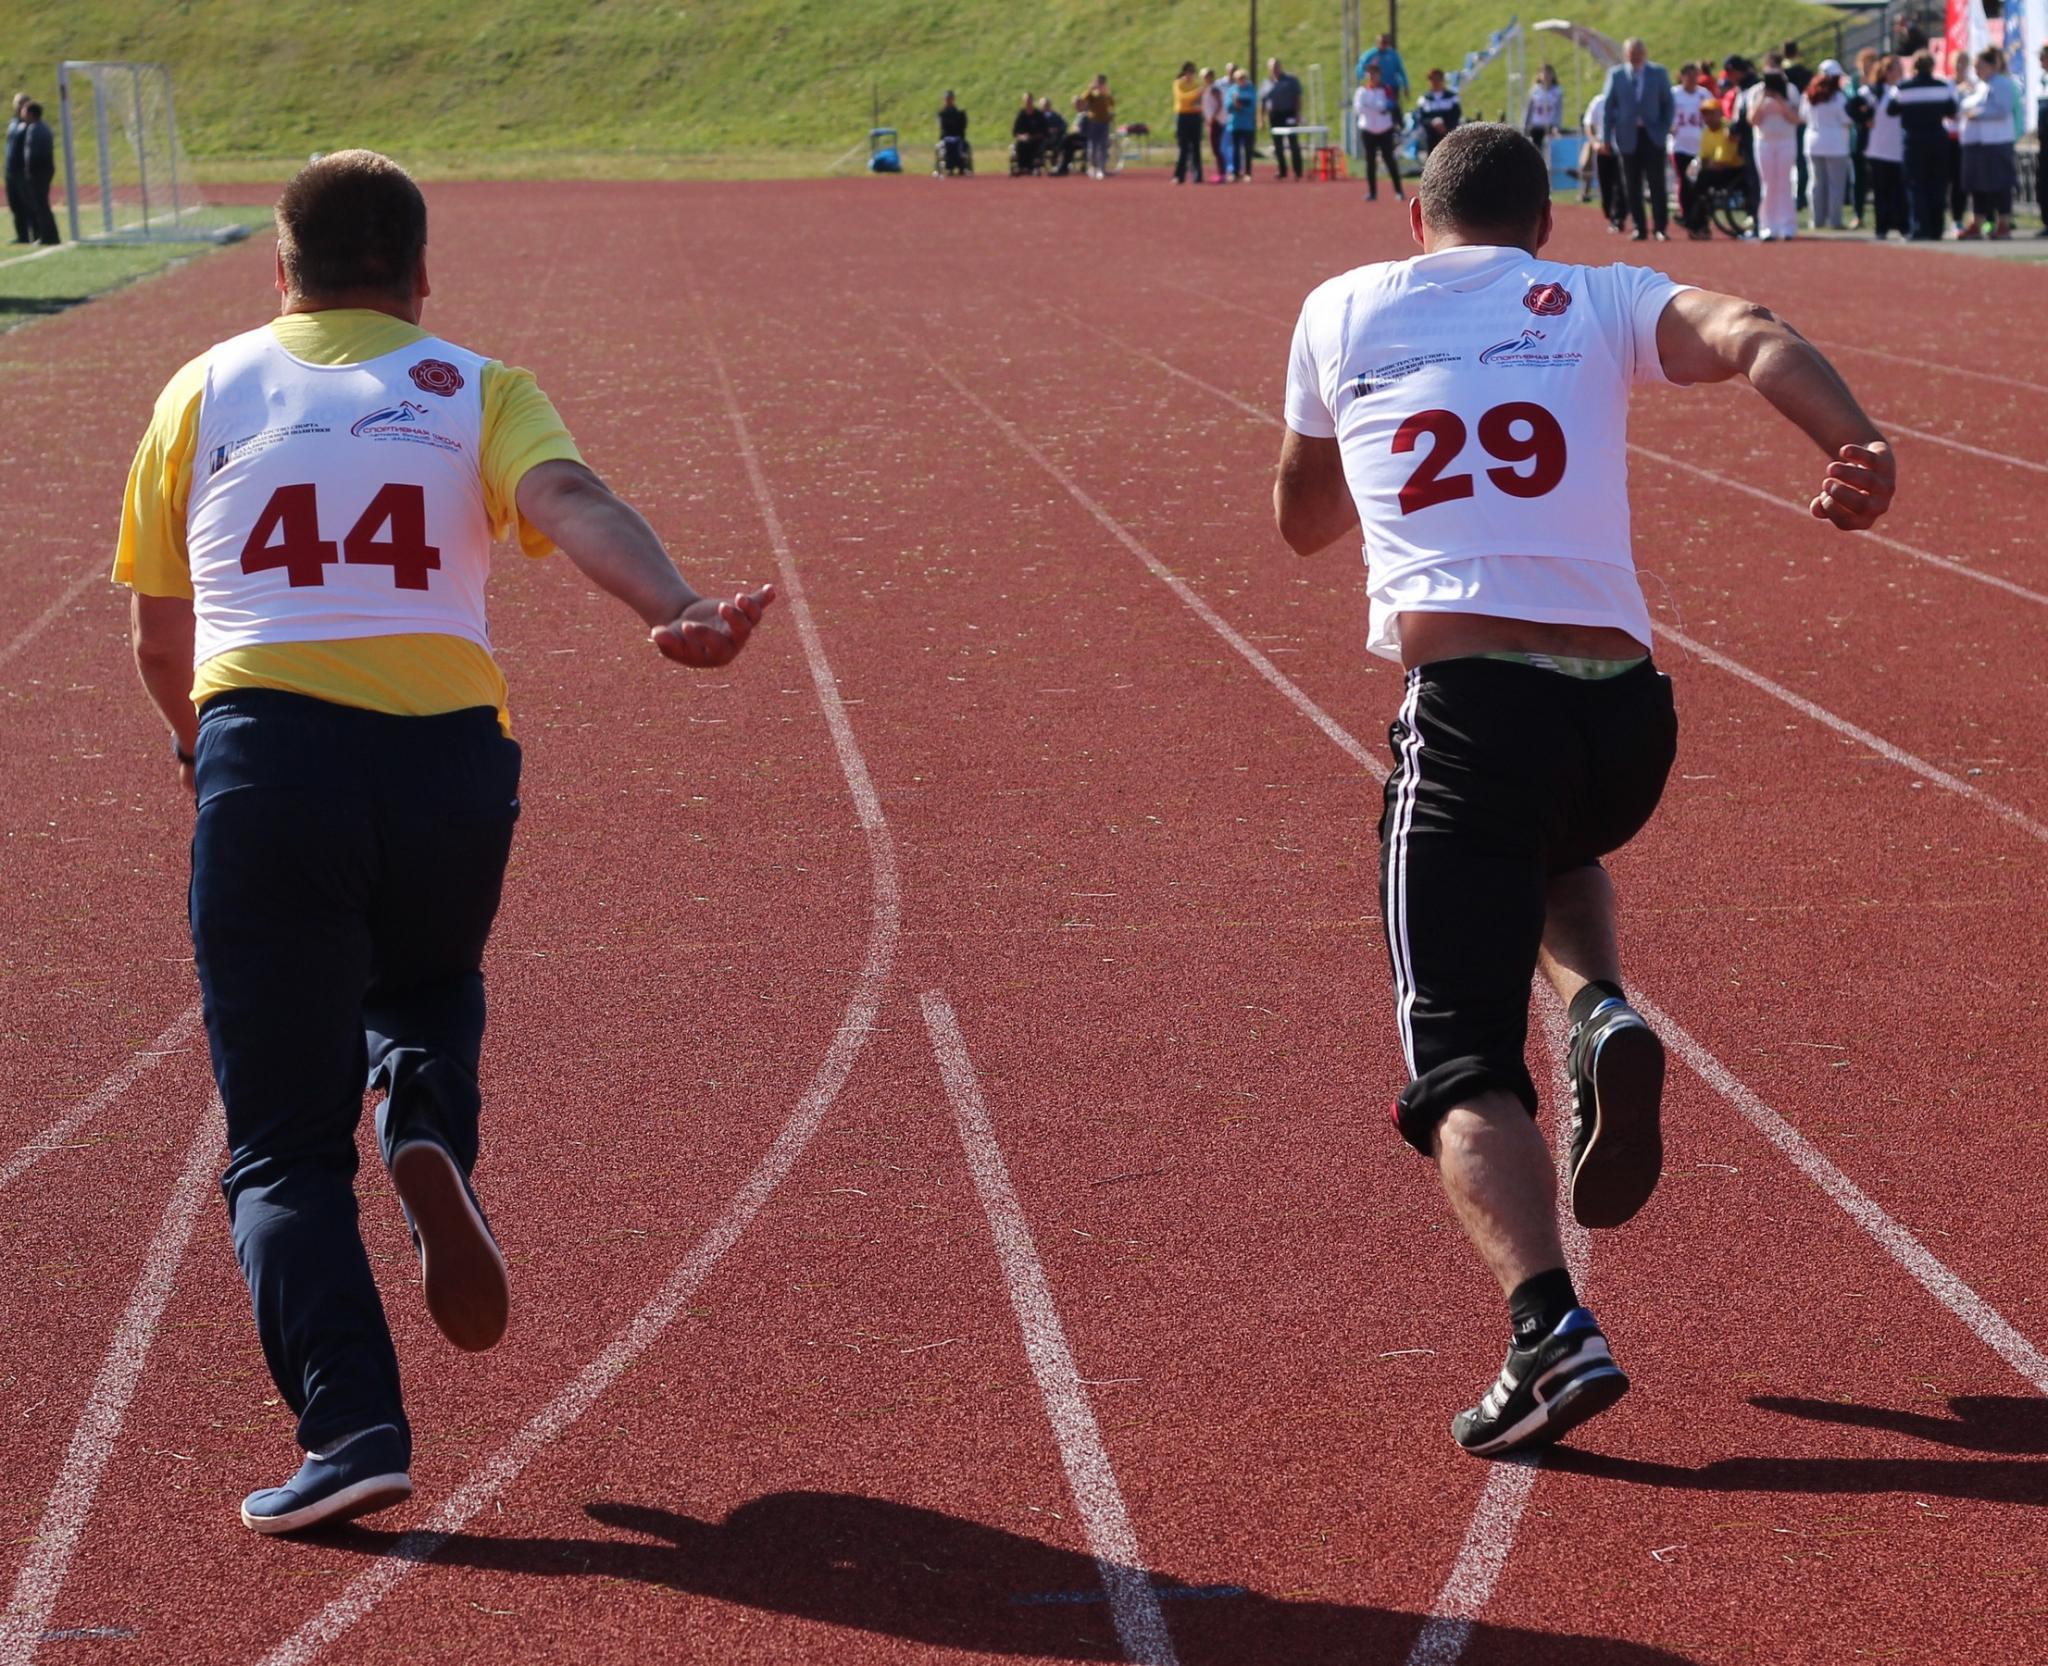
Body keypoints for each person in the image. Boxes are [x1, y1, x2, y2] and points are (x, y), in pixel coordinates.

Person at [111, 150, 776, 1533]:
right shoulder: (476, 386)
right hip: (452, 761)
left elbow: (160, 636)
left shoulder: (203, 388)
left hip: (272, 757)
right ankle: (422, 1111)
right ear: (419, 274)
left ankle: (350, 1424)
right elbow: (573, 499)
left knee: (281, 1142)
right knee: (424, 978)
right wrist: (676, 605)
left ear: (278, 273)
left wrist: (194, 745)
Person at [1272, 123, 1895, 1460]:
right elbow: (1751, 327)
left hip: (1473, 715)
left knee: (1456, 1063)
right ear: (1543, 225)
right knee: (1549, 844)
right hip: (1624, 725)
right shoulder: (1597, 297)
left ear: (1415, 220)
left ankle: (1547, 1331)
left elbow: (1303, 519)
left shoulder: (1340, 308)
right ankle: (1599, 1003)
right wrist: (1854, 443)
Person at [1601, 39, 1674, 240]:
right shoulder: (1616, 75)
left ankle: (1660, 227)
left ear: (1644, 53)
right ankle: (1639, 227)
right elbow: (1608, 107)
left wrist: (1663, 128)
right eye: (1631, 52)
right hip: (1627, 136)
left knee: (1657, 183)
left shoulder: (1658, 73)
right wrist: (1605, 136)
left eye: (1638, 52)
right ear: (1625, 54)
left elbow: (1668, 103)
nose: (1634, 56)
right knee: (1631, 185)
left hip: (1653, 135)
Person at [1889, 51, 1956, 241]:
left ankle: (1919, 227)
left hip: (1914, 139)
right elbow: (1952, 110)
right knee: (1937, 184)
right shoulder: (1942, 87)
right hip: (1938, 139)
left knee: (1915, 184)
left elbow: (1891, 110)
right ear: (1932, 66)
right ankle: (1936, 228)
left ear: (1914, 67)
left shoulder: (1903, 88)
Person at [1957, 48, 2018, 239]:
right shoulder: (1979, 85)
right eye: (1975, 66)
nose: (1976, 70)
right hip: (1976, 142)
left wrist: (1978, 114)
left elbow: (2003, 110)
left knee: (2000, 184)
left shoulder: (2002, 84)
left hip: (1996, 141)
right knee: (1977, 185)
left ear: (1993, 65)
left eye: (1980, 66)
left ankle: (2004, 223)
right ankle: (1978, 222)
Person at [1745, 66, 1804, 240]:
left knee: (1785, 182)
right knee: (1768, 183)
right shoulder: (1756, 92)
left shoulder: (1791, 90)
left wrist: (1780, 100)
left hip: (1786, 141)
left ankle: (1787, 226)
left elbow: (1796, 119)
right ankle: (1767, 226)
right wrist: (1763, 98)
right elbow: (1752, 119)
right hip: (1764, 141)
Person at [1803, 63, 1854, 230]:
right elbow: (1846, 119)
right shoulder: (1839, 97)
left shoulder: (1809, 95)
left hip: (1813, 142)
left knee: (1816, 183)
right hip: (1835, 144)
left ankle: (1816, 219)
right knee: (1835, 184)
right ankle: (1834, 220)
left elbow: (1802, 116)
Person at [1862, 56, 1908, 238]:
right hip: (1878, 149)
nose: (1901, 72)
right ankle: (1881, 227)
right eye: (1897, 69)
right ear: (1887, 72)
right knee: (1881, 191)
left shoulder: (1904, 89)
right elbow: (1852, 106)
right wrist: (1865, 119)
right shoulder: (1873, 91)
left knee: (1900, 191)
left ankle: (1903, 226)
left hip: (1899, 149)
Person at [1686, 100, 1745, 236]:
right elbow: (1703, 157)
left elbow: (1721, 162)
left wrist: (1704, 166)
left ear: (1719, 113)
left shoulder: (1727, 130)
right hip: (1717, 169)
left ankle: (1696, 222)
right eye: (1705, 114)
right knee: (1693, 182)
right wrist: (1695, 167)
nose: (1707, 118)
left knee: (1702, 180)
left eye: (1711, 114)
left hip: (1734, 170)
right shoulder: (1706, 131)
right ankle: (1697, 221)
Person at [1667, 63, 1713, 236]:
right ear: (1682, 77)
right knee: (1685, 183)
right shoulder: (1674, 94)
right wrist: (1669, 127)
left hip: (1700, 147)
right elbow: (1664, 114)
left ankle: (1701, 220)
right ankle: (1688, 218)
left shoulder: (1704, 94)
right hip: (1680, 146)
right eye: (1690, 76)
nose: (1693, 79)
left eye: (1695, 76)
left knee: (1701, 185)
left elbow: (1713, 114)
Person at [1355, 65, 1404, 202]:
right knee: (1370, 161)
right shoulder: (1362, 91)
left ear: (1379, 75)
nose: (1372, 77)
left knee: (1389, 160)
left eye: (1374, 74)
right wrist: (1377, 109)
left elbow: (1390, 106)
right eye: (1369, 74)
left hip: (1385, 129)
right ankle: (1372, 192)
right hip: (1368, 129)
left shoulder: (1386, 89)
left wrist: (1374, 109)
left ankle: (1399, 191)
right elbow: (1359, 108)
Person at [1582, 88, 1623, 228]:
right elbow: (1588, 123)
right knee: (1605, 185)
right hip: (1603, 148)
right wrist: (1594, 142)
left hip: (1622, 149)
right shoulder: (1599, 101)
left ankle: (1618, 216)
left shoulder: (1626, 101)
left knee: (1620, 184)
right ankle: (1609, 211)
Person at [19, 101, 58, 246]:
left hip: (38, 172)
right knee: (43, 204)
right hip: (45, 170)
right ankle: (51, 235)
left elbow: (33, 154)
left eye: (24, 111)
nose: (22, 114)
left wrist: (29, 171)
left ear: (31, 114)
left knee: (40, 205)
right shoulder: (44, 127)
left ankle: (47, 236)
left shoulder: (34, 129)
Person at [1781, 39, 1813, 207]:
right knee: (1801, 160)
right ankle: (1800, 195)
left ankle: (1789, 195)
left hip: (1784, 119)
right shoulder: (1804, 71)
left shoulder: (1782, 72)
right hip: (1799, 117)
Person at [1262, 57, 1305, 180]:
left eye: (1276, 66)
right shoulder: (1266, 83)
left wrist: (1297, 113)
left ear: (1280, 67)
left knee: (1293, 143)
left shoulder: (1291, 80)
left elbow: (1298, 97)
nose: (1274, 69)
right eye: (1272, 67)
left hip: (1289, 113)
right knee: (1278, 145)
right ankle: (1282, 171)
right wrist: (1261, 118)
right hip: (1274, 115)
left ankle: (1298, 170)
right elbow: (1262, 101)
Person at [1416, 70, 1462, 159]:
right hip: (1431, 137)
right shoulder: (1425, 99)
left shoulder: (1452, 97)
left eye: (1438, 79)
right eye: (1432, 80)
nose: (1435, 82)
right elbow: (1421, 118)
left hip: (1448, 135)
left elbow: (1456, 115)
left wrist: (1445, 125)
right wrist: (1432, 122)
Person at [1173, 61, 1206, 184]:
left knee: (1196, 147)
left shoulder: (1195, 84)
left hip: (1195, 116)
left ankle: (1197, 176)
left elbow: (1199, 102)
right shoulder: (1178, 83)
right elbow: (1182, 99)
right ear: (1184, 72)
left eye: (1192, 72)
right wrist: (1196, 93)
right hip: (1183, 116)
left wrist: (1196, 98)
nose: (1190, 74)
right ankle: (1179, 176)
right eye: (1188, 71)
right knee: (1183, 148)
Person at [1077, 74, 1115, 179]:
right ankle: (1093, 167)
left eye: (1102, 82)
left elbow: (1112, 103)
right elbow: (1082, 100)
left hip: (1105, 122)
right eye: (1099, 82)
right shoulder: (1091, 93)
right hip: (1093, 122)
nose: (1100, 84)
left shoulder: (1105, 93)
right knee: (1092, 146)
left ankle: (1101, 169)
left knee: (1103, 146)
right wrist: (1090, 89)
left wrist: (1106, 93)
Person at [1522, 63, 1564, 154]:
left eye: (1548, 74)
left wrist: (1557, 126)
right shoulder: (1535, 91)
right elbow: (1528, 110)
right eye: (1544, 74)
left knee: (1551, 151)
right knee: (1536, 151)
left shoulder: (1557, 91)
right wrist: (1525, 126)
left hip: (1550, 126)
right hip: (1536, 126)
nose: (1546, 77)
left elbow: (1558, 111)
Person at [5, 92, 30, 245]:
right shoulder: (13, 123)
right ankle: (22, 236)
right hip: (10, 171)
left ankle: (36, 234)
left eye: (22, 103)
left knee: (27, 204)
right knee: (15, 205)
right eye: (17, 103)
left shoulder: (29, 125)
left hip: (22, 171)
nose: (19, 106)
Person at [1226, 67, 1259, 181]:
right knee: (1235, 150)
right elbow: (1227, 106)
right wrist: (1234, 104)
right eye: (1239, 78)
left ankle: (1247, 173)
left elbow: (1253, 107)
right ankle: (1235, 172)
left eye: (1243, 78)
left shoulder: (1251, 90)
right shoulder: (1232, 90)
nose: (1241, 80)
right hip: (1235, 125)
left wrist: (1241, 107)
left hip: (1248, 125)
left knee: (1248, 150)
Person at [1358, 33, 1410, 100]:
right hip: (1376, 88)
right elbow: (1360, 68)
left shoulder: (1393, 55)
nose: (1384, 45)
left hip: (1391, 87)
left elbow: (1401, 71)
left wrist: (1405, 86)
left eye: (1386, 43)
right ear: (1377, 43)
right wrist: (1367, 77)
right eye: (1382, 42)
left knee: (1391, 105)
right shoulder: (1370, 55)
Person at [1202, 67, 1228, 183]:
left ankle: (1222, 173)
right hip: (1212, 121)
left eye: (1207, 76)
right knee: (1215, 148)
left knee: (1216, 148)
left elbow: (1219, 103)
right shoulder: (1208, 88)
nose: (1205, 78)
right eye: (1204, 77)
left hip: (1216, 122)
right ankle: (1220, 172)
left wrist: (1213, 117)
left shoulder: (1214, 88)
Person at [1011, 93, 1046, 175]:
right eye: (1026, 101)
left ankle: (1031, 167)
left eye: (1029, 101)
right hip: (1023, 140)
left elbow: (1044, 131)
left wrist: (1032, 136)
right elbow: (1015, 132)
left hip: (1036, 139)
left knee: (1033, 145)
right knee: (1020, 144)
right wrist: (1022, 136)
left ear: (1032, 101)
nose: (1028, 103)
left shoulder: (1039, 115)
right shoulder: (1021, 115)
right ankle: (1022, 167)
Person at [937, 90, 970, 176]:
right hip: (946, 138)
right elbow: (943, 127)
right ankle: (948, 167)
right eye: (946, 99)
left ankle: (963, 166)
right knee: (946, 145)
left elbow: (962, 126)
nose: (948, 101)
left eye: (950, 99)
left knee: (963, 145)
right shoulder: (942, 113)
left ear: (953, 99)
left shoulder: (959, 113)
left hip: (958, 137)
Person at [1038, 96, 1070, 176]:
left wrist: (1057, 130)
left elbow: (1064, 125)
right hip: (1042, 139)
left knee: (1060, 142)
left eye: (1047, 105)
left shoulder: (1056, 115)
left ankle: (1055, 165)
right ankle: (1039, 165)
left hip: (1055, 139)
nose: (1046, 106)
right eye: (1044, 105)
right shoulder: (1037, 116)